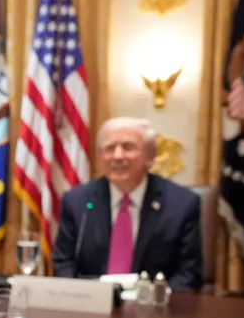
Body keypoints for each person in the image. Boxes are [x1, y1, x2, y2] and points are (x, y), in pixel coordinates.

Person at [52, 117, 203, 291]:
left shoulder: (182, 204)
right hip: (92, 307)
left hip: (153, 310)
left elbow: (189, 273)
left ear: (150, 157)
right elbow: (63, 263)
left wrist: (153, 300)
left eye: (128, 147)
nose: (117, 156)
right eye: (109, 148)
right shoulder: (77, 201)